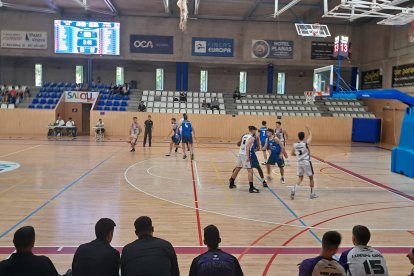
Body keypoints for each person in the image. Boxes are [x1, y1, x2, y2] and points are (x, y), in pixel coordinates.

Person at [228, 126, 260, 193]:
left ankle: (231, 183)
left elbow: (239, 144)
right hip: (246, 155)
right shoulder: (251, 138)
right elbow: (248, 146)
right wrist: (248, 156)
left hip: (240, 154)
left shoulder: (244, 136)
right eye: (255, 130)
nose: (255, 132)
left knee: (237, 168)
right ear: (253, 130)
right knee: (250, 171)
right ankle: (251, 188)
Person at [290, 125, 318, 200]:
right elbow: (311, 135)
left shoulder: (295, 145)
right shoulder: (305, 143)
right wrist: (308, 128)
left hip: (299, 163)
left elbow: (292, 154)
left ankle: (294, 189)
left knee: (300, 178)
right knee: (311, 178)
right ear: (304, 137)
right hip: (306, 162)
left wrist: (298, 155)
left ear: (298, 137)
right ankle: (312, 194)